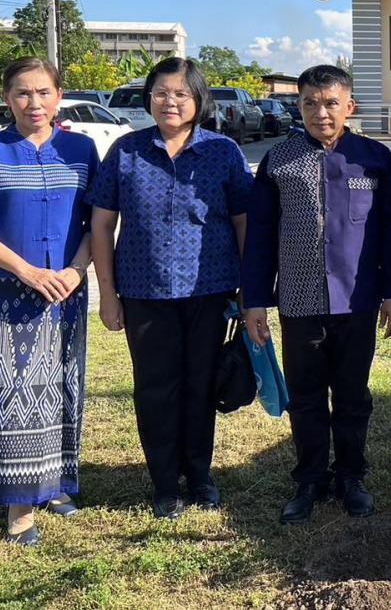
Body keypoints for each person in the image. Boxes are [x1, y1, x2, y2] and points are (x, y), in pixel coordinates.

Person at [88, 57, 252, 519]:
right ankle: (164, 483)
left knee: (201, 385)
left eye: (181, 93)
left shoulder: (223, 152)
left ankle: (200, 476)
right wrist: (107, 293)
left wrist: (247, 288)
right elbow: (101, 225)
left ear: (198, 100)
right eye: (161, 93)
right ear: (149, 99)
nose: (170, 102)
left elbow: (243, 222)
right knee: (156, 388)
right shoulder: (126, 151)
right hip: (144, 291)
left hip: (210, 289)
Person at [242, 65, 391, 524]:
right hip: (300, 300)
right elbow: (260, 234)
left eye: (331, 102)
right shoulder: (279, 160)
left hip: (358, 299)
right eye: (310, 103)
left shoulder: (373, 158)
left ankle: (351, 475)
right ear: (299, 106)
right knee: (307, 394)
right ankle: (310, 478)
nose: (321, 112)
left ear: (349, 106)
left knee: (353, 394)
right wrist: (254, 298)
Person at [0, 57, 98, 545]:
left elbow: (95, 221)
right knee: (11, 391)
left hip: (65, 292)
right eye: (21, 93)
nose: (33, 103)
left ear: (59, 96)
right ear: (7, 98)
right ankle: (18, 505)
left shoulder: (79, 149)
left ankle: (54, 483)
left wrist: (76, 271)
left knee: (62, 384)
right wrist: (28, 271)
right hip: (6, 292)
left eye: (43, 93)